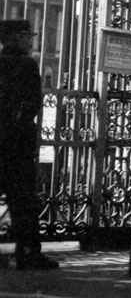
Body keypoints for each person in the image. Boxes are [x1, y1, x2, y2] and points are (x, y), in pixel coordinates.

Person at [0, 20, 59, 270]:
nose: (30, 40)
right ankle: (27, 254)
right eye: (26, 36)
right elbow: (32, 103)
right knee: (23, 201)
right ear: (14, 37)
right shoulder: (27, 64)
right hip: (17, 143)